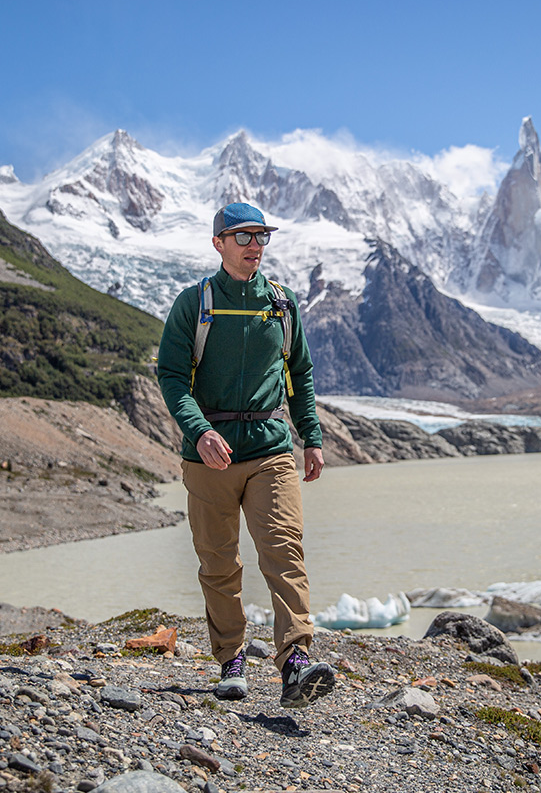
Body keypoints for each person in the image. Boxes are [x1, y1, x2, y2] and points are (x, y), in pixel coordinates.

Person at [156, 202, 334, 709]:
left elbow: (300, 372)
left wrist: (311, 436)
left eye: (261, 236)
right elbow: (171, 376)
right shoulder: (195, 303)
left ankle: (295, 660)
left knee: (283, 549)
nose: (255, 245)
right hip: (208, 455)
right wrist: (200, 431)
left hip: (269, 449)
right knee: (218, 562)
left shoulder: (281, 303)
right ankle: (231, 658)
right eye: (243, 237)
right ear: (219, 243)